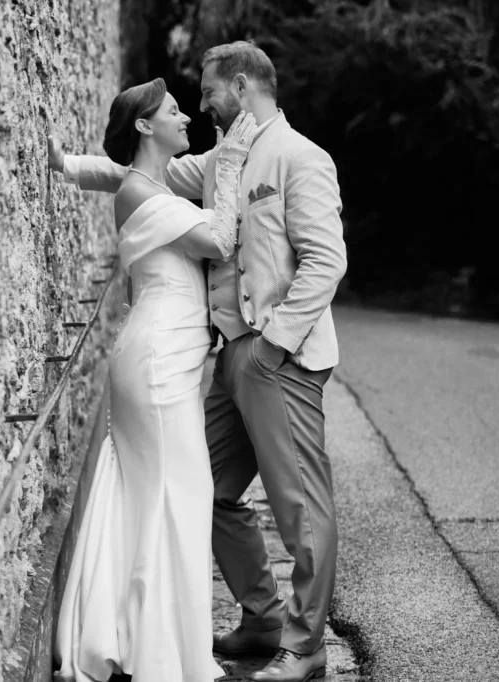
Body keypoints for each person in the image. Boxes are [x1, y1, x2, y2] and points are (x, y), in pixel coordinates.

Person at [49, 41, 347, 682]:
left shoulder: (301, 157)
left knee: (298, 506)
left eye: (208, 92)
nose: (202, 103)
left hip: (279, 356)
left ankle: (303, 645)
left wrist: (275, 344)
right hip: (225, 359)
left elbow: (326, 261)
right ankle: (264, 615)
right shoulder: (217, 162)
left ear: (241, 87)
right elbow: (136, 175)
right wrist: (69, 165)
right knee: (205, 490)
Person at [54, 77, 256, 682]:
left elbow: (113, 172)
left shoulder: (146, 184)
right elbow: (221, 236)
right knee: (180, 499)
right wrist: (236, 161)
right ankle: (166, 655)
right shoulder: (147, 193)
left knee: (151, 496)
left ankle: (137, 637)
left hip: (160, 354)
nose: (186, 117)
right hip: (160, 361)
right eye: (173, 112)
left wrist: (64, 163)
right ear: (146, 127)